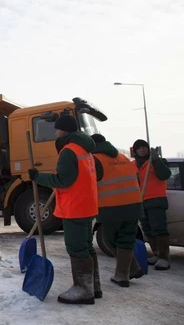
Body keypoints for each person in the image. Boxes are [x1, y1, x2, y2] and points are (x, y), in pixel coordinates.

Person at [29, 114, 100, 304]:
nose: (56, 133)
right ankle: (94, 286)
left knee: (77, 248)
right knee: (86, 247)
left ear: (64, 130)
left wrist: (38, 177)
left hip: (75, 207)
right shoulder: (85, 149)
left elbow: (63, 180)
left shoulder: (69, 151)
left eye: (57, 129)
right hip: (87, 205)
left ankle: (83, 290)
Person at [91, 134, 144, 287]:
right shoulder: (123, 157)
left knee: (109, 240)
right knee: (126, 239)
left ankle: (129, 270)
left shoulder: (95, 160)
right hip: (134, 205)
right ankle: (125, 274)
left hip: (111, 207)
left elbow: (90, 183)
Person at [131, 139, 172, 270]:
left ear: (148, 149)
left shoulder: (156, 162)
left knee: (159, 228)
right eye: (139, 148)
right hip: (140, 201)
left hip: (156, 200)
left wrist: (156, 160)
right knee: (147, 229)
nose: (142, 150)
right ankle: (155, 254)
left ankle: (164, 258)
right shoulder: (133, 165)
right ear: (135, 150)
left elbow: (165, 175)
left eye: (144, 147)